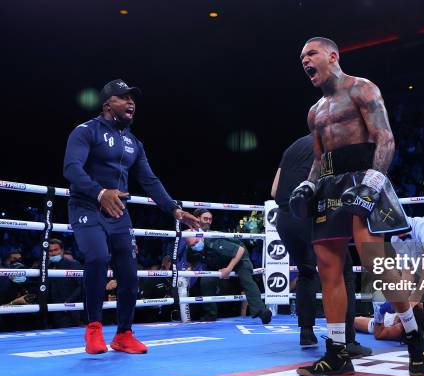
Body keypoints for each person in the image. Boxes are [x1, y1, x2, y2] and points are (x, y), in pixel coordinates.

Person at [291, 37, 424, 376]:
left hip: (365, 178)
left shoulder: (362, 89)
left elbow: (385, 138)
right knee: (328, 268)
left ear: (332, 56)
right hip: (330, 184)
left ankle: (414, 334)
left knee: (375, 263)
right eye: (301, 57)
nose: (305, 60)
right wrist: (308, 184)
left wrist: (372, 184)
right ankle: (337, 351)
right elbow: (320, 159)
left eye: (311, 53)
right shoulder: (314, 112)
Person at [63, 79, 199, 354]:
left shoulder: (133, 142)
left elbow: (149, 180)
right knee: (98, 257)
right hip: (87, 206)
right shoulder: (86, 131)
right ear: (107, 105)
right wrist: (100, 192)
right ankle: (93, 330)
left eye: (132, 98)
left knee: (129, 272)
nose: (131, 102)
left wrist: (174, 209)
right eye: (123, 97)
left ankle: (124, 334)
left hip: (118, 213)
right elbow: (71, 168)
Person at [271, 134, 371, 357]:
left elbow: (274, 191)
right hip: (307, 214)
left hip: (283, 219)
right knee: (343, 269)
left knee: (307, 272)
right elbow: (332, 183)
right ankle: (347, 341)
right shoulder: (332, 142)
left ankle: (306, 332)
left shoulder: (291, 147)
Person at [184, 209, 272, 324]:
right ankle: (210, 315)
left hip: (239, 257)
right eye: (205, 219)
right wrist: (188, 270)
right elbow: (191, 258)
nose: (208, 222)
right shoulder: (191, 240)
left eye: (210, 219)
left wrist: (229, 269)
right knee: (206, 281)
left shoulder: (212, 239)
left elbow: (239, 250)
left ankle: (261, 311)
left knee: (246, 278)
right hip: (217, 261)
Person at [47, 238, 83, 328]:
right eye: (50, 251)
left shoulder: (73, 265)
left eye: (56, 250)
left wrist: (68, 303)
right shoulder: (47, 267)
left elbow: (81, 286)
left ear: (62, 250)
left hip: (68, 312)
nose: (53, 253)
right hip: (50, 312)